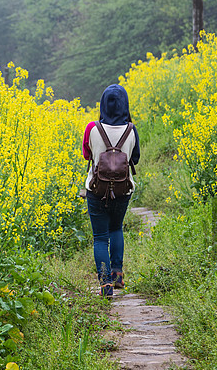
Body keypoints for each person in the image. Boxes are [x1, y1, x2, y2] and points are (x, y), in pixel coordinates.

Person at [82, 84, 140, 297]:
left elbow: (87, 155)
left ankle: (105, 284)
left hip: (97, 189)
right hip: (123, 189)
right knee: (116, 229)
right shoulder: (131, 129)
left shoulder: (92, 128)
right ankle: (117, 274)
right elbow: (135, 159)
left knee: (99, 237)